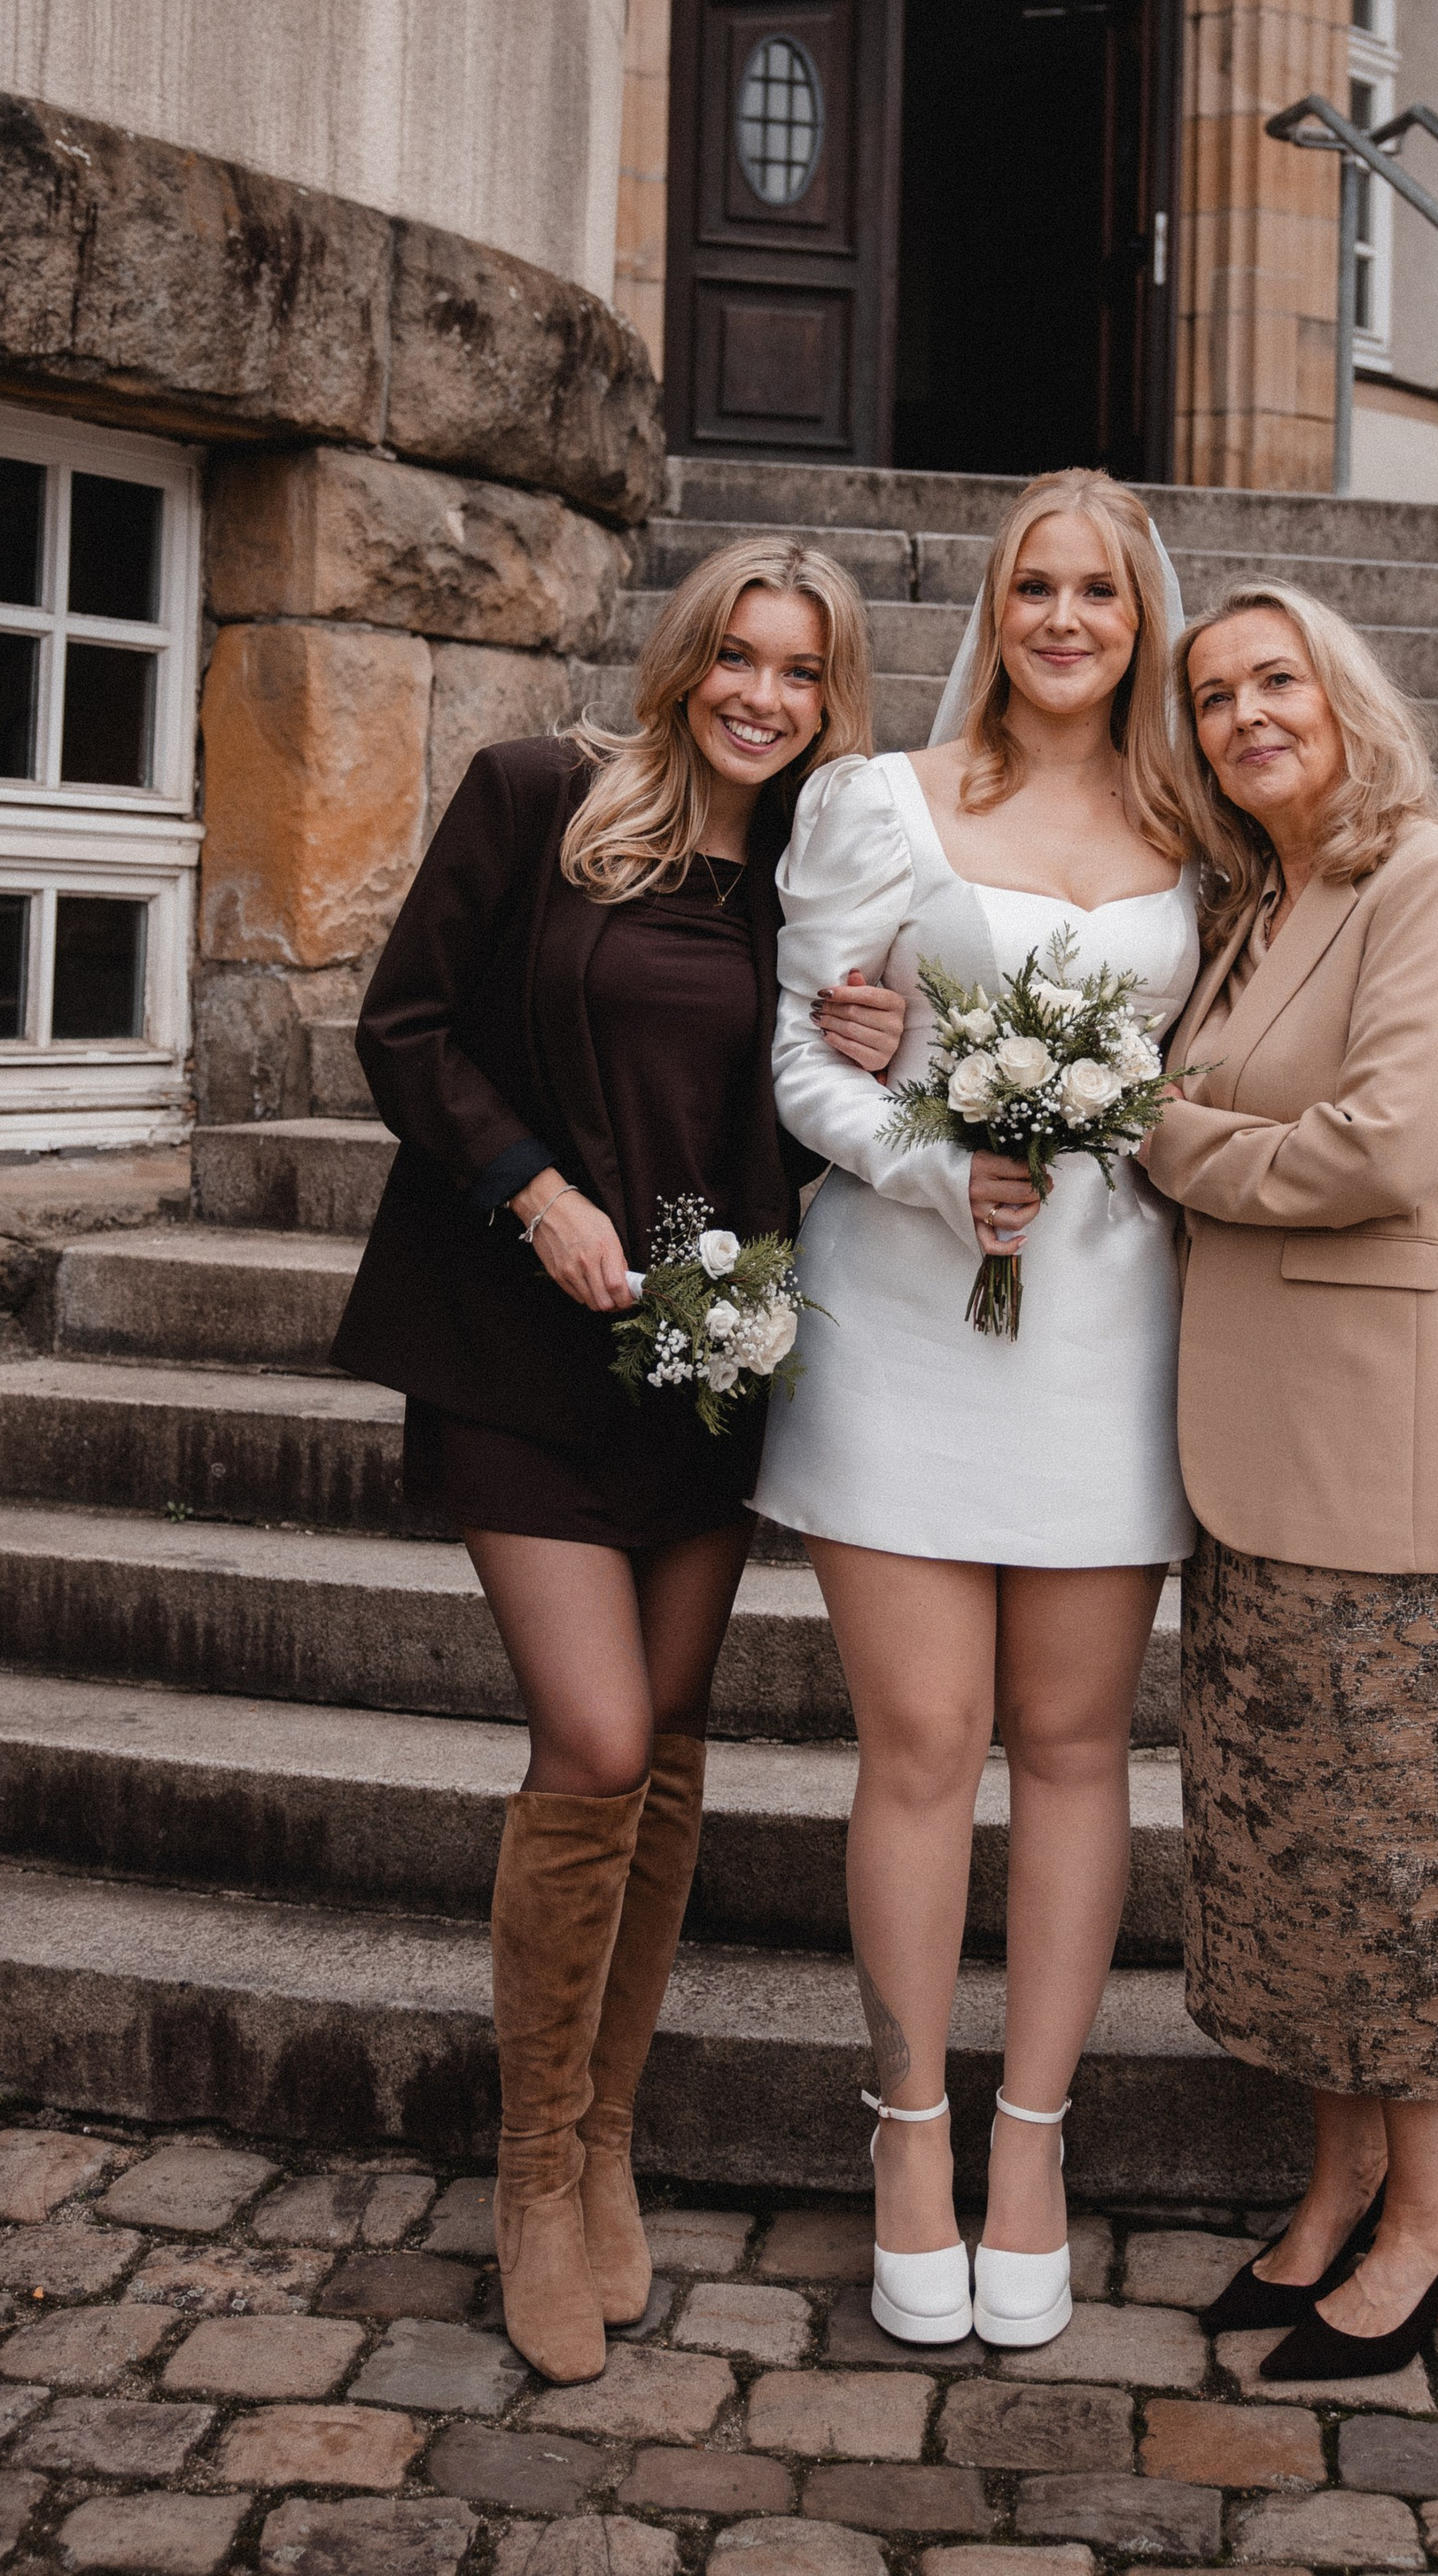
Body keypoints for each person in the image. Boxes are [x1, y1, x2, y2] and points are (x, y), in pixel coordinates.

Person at [331, 539, 902, 2385]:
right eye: (738, 656)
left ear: (832, 698)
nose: (761, 694)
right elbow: (402, 1027)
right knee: (589, 1738)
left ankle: (602, 2138)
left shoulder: (808, 885)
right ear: (685, 660)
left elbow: (808, 1115)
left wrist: (868, 1049)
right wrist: (532, 1193)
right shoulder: (539, 793)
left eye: (799, 672)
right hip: (517, 1337)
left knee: (662, 1749)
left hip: (700, 1363)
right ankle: (524, 2172)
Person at [755, 469, 1199, 2352]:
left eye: (1098, 588)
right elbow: (796, 1043)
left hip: (1109, 1330)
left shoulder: (1199, 828)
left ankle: (1033, 2139)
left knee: (1076, 1745)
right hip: (903, 1313)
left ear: (1136, 614)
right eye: (1036, 583)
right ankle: (907, 2131)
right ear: (998, 607)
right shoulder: (885, 804)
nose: (1064, 617)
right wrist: (926, 1158)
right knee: (923, 1741)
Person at [1139, 578, 1438, 2382]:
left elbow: (1381, 1145)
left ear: (1338, 695)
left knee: (1397, 1863)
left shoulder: (1432, 884)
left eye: (1271, 680)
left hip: (1391, 1456)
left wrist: (1166, 1140)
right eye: (1215, 695)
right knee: (1277, 1858)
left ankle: (1436, 2218)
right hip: (1247, 1459)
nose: (1243, 715)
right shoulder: (1248, 905)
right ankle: (1324, 2197)